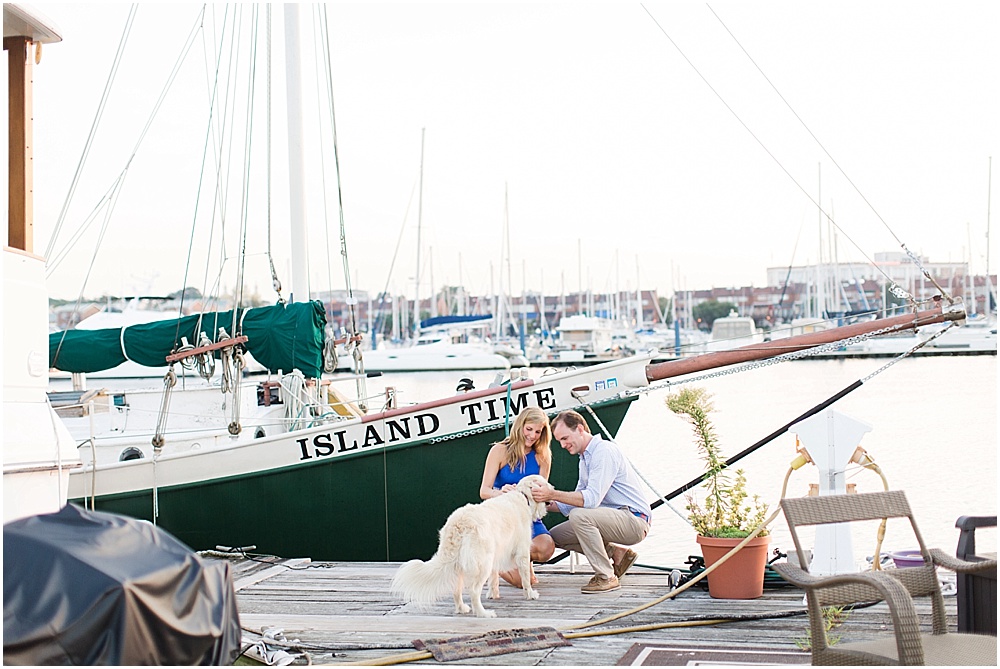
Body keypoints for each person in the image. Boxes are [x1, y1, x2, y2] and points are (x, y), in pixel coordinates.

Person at [530, 409, 651, 594]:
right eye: (560, 441)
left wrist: (551, 493)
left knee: (580, 516)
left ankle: (606, 577)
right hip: (613, 518)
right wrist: (539, 500)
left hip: (634, 519)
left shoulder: (603, 451)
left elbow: (591, 500)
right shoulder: (584, 457)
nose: (562, 445)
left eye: (565, 438)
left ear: (579, 429)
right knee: (555, 536)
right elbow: (573, 501)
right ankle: (617, 554)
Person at [479, 406, 556, 587]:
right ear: (520, 426)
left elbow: (541, 494)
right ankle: (492, 562)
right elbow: (484, 491)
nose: (532, 435)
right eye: (529, 429)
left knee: (546, 548)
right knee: (524, 582)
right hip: (502, 519)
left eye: (538, 431)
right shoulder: (499, 450)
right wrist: (501, 492)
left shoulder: (543, 456)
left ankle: (510, 556)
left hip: (527, 519)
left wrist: (546, 497)